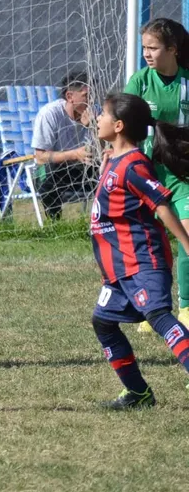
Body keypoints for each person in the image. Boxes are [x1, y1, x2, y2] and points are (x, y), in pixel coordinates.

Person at [89, 92, 189, 409]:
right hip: (119, 270)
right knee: (102, 322)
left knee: (159, 316)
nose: (97, 119)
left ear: (118, 125)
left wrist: (187, 243)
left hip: (143, 262)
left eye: (101, 115)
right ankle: (138, 393)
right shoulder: (115, 159)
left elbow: (161, 205)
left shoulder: (133, 166)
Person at [126, 19, 189, 329]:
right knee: (150, 244)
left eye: (153, 48)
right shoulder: (139, 82)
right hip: (147, 174)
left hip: (182, 175)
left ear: (173, 50)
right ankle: (155, 307)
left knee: (187, 235)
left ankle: (187, 308)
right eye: (144, 49)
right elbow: (123, 126)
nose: (147, 54)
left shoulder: (188, 82)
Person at [31, 70, 98, 220]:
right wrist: (74, 154)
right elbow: (40, 157)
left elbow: (102, 149)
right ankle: (54, 224)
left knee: (111, 169)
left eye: (94, 96)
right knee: (48, 170)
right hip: (53, 172)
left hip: (83, 170)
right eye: (87, 96)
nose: (92, 101)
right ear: (70, 97)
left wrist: (93, 127)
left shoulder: (96, 112)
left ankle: (105, 222)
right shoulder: (50, 114)